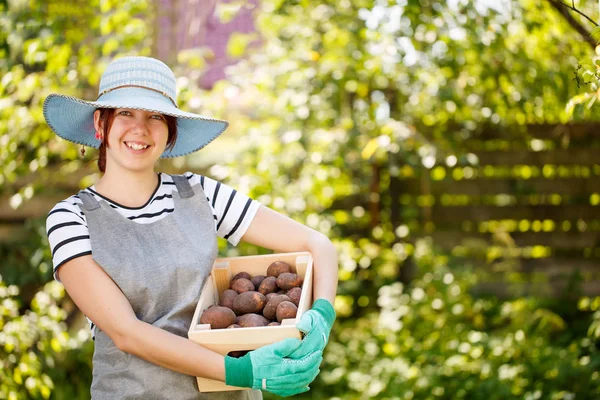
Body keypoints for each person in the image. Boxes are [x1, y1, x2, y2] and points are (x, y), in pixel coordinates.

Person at [44, 56, 338, 399]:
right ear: (100, 123)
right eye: (125, 112)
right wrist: (242, 370)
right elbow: (125, 332)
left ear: (171, 131)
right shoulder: (71, 217)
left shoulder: (200, 193)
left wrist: (322, 316)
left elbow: (317, 244)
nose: (140, 128)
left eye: (155, 116)